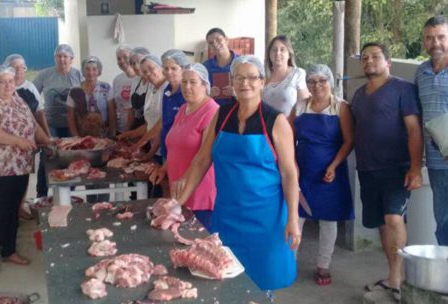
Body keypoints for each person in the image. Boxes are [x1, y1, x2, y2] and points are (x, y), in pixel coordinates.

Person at [177, 55, 299, 291]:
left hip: (267, 219)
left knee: (263, 283)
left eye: (252, 77)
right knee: (226, 281)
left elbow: (289, 174)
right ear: (232, 82)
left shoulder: (276, 121)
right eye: (239, 78)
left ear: (262, 81)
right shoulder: (221, 116)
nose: (245, 83)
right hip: (227, 215)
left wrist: (293, 218)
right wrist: (178, 204)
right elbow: (202, 160)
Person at [352, 42, 423, 301]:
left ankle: (397, 280)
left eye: (375, 57)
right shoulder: (359, 95)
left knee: (394, 220)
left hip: (397, 168)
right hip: (367, 169)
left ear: (388, 62)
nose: (369, 61)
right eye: (365, 58)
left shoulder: (403, 89)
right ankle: (394, 276)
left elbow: (414, 130)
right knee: (382, 224)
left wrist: (415, 168)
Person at [0, 66, 49, 279]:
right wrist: (18, 141)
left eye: (11, 81)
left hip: (20, 165)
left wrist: (50, 142)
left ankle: (9, 251)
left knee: (13, 209)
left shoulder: (19, 100)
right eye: (2, 81)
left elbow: (34, 127)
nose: (7, 86)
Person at [289, 64, 354, 286]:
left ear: (330, 82)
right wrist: (292, 167)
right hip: (303, 170)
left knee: (328, 220)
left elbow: (348, 141)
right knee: (296, 216)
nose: (317, 86)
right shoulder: (298, 107)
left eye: (322, 81)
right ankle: (290, 261)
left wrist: (334, 166)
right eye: (312, 81)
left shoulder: (341, 108)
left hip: (330, 171)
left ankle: (323, 265)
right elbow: (288, 139)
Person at [150, 63, 217, 217]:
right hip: (178, 190)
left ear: (205, 85)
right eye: (184, 82)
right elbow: (175, 147)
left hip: (199, 191)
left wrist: (185, 179)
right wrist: (163, 168)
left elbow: (204, 156)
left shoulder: (212, 111)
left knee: (198, 238)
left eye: (193, 82)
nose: (187, 87)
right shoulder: (183, 109)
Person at [3, 54, 50, 220]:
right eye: (15, 67)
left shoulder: (29, 87)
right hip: (4, 145)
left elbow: (39, 113)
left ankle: (19, 207)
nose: (19, 71)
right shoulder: (1, 90)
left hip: (27, 142)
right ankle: (9, 210)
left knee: (23, 175)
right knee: (7, 180)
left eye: (22, 67)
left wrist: (47, 137)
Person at [415, 15, 448, 245]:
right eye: (429, 38)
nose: (435, 43)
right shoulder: (421, 72)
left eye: (441, 37)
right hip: (437, 163)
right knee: (443, 221)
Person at [32, 43, 82, 197]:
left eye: (66, 56)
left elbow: (85, 96)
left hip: (71, 124)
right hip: (50, 124)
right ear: (54, 58)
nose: (62, 59)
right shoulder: (44, 75)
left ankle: (69, 193)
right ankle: (42, 195)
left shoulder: (78, 75)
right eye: (59, 56)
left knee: (70, 158)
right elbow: (32, 96)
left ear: (71, 59)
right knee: (47, 157)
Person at [135, 49, 188, 159]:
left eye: (173, 68)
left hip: (180, 153)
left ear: (182, 69)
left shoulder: (186, 93)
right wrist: (150, 153)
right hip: (165, 149)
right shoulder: (167, 91)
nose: (169, 72)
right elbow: (163, 124)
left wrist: (143, 142)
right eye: (166, 68)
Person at [119, 54, 167, 160]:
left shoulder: (168, 89)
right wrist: (130, 133)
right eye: (144, 72)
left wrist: (141, 145)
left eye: (151, 68)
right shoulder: (151, 89)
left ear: (161, 67)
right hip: (153, 147)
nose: (148, 74)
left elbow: (162, 125)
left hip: (165, 149)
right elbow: (149, 124)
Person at [67, 56, 116, 138]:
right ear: (83, 71)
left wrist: (112, 135)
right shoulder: (74, 90)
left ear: (99, 71)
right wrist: (76, 137)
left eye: (94, 69)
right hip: (81, 136)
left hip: (103, 136)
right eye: (87, 69)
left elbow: (112, 113)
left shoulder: (106, 88)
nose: (90, 72)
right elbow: (70, 116)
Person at [263, 35, 310, 115]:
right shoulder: (263, 78)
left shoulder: (297, 74)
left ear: (289, 54)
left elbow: (304, 107)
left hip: (290, 126)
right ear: (269, 54)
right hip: (266, 126)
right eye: (274, 50)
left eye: (282, 50)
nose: (278, 53)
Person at [203, 28, 237, 105]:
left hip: (238, 110)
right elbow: (200, 93)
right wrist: (208, 95)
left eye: (219, 40)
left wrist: (237, 93)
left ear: (226, 40)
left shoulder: (241, 63)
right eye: (211, 43)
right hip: (214, 111)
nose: (215, 44)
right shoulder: (205, 67)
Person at [112, 45, 136, 134]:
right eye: (119, 58)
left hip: (137, 129)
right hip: (120, 128)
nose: (122, 61)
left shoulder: (141, 78)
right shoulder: (117, 80)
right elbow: (114, 106)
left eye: (125, 57)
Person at [126, 47, 150, 131]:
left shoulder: (153, 82)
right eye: (132, 63)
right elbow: (131, 110)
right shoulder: (135, 81)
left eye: (139, 62)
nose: (135, 66)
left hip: (148, 128)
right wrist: (127, 131)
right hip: (135, 126)